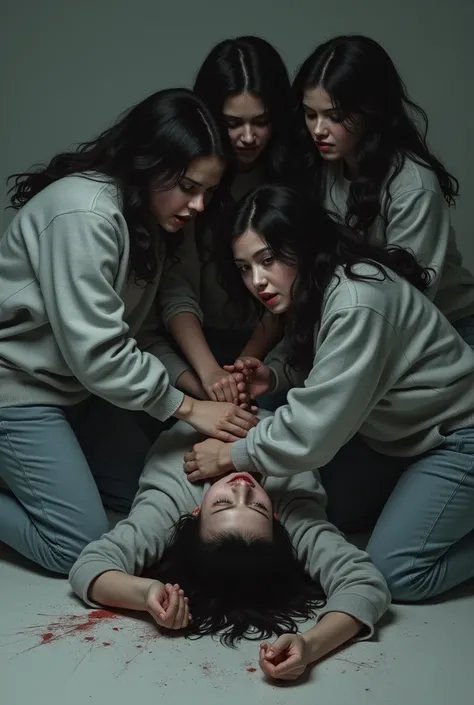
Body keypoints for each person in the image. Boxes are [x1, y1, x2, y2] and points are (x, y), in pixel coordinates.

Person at [0, 88, 259, 574]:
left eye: (208, 191)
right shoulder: (86, 212)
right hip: (16, 392)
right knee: (78, 546)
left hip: (79, 396)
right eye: (187, 186)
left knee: (152, 495)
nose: (199, 205)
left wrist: (200, 382)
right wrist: (191, 408)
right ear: (147, 164)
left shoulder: (147, 221)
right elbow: (99, 354)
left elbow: (136, 337)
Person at [182, 183, 474, 603]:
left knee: (397, 573)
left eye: (267, 260)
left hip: (457, 438)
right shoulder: (318, 284)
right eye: (245, 268)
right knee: (324, 510)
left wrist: (229, 454)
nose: (257, 281)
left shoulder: (358, 301)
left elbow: (311, 432)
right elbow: (329, 365)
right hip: (398, 438)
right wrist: (276, 376)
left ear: (303, 245)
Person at [69, 418, 390, 682]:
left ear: (195, 514)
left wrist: (146, 593)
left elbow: (89, 566)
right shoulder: (293, 507)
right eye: (258, 508)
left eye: (222, 504)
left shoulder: (169, 505)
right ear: (277, 520)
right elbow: (363, 583)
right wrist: (309, 646)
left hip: (186, 399)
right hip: (283, 406)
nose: (241, 487)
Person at [290, 34, 474, 351]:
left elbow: (408, 302)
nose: (318, 130)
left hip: (448, 330)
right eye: (310, 114)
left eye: (334, 117)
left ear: (370, 112)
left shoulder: (412, 182)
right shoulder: (320, 166)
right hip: (368, 324)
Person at [156, 37, 292, 405]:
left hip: (274, 347)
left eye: (261, 122)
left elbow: (293, 284)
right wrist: (212, 373)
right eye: (232, 123)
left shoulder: (295, 175)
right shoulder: (189, 176)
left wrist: (245, 364)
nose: (248, 138)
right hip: (190, 341)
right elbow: (176, 286)